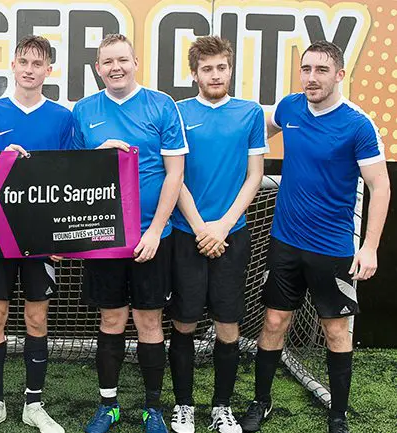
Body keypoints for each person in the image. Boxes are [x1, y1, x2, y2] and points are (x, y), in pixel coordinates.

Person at [239, 41, 390, 433]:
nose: (311, 77)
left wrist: (370, 246)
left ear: (340, 75)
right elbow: (257, 129)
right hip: (285, 242)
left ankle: (337, 414)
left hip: (333, 249)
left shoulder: (357, 124)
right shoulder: (290, 107)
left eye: (321, 70)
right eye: (306, 69)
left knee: (335, 330)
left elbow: (381, 185)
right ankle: (261, 402)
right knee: (273, 322)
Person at [72, 33, 187, 433]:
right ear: (97, 68)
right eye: (107, 62)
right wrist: (96, 156)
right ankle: (110, 405)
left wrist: (156, 230)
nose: (115, 67)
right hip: (104, 237)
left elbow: (175, 174)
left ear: (135, 61)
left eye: (122, 59)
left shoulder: (161, 105)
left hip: (152, 237)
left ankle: (152, 408)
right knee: (111, 319)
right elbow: (69, 178)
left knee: (150, 322)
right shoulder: (84, 110)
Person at [0, 35, 73, 433]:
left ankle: (34, 404)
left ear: (49, 70)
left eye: (38, 63)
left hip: (42, 239)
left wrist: (64, 238)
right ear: (12, 65)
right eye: (23, 61)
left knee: (36, 317)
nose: (29, 69)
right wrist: (0, 159)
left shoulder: (63, 118)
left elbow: (69, 180)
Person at [168, 36, 267, 433]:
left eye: (221, 67)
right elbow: (174, 177)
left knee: (229, 324)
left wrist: (223, 226)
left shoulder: (250, 113)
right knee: (184, 323)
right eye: (206, 68)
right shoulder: (175, 113)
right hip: (185, 233)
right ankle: (184, 406)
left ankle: (221, 407)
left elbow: (255, 175)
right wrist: (199, 227)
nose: (214, 74)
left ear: (229, 70)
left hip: (232, 235)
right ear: (194, 74)